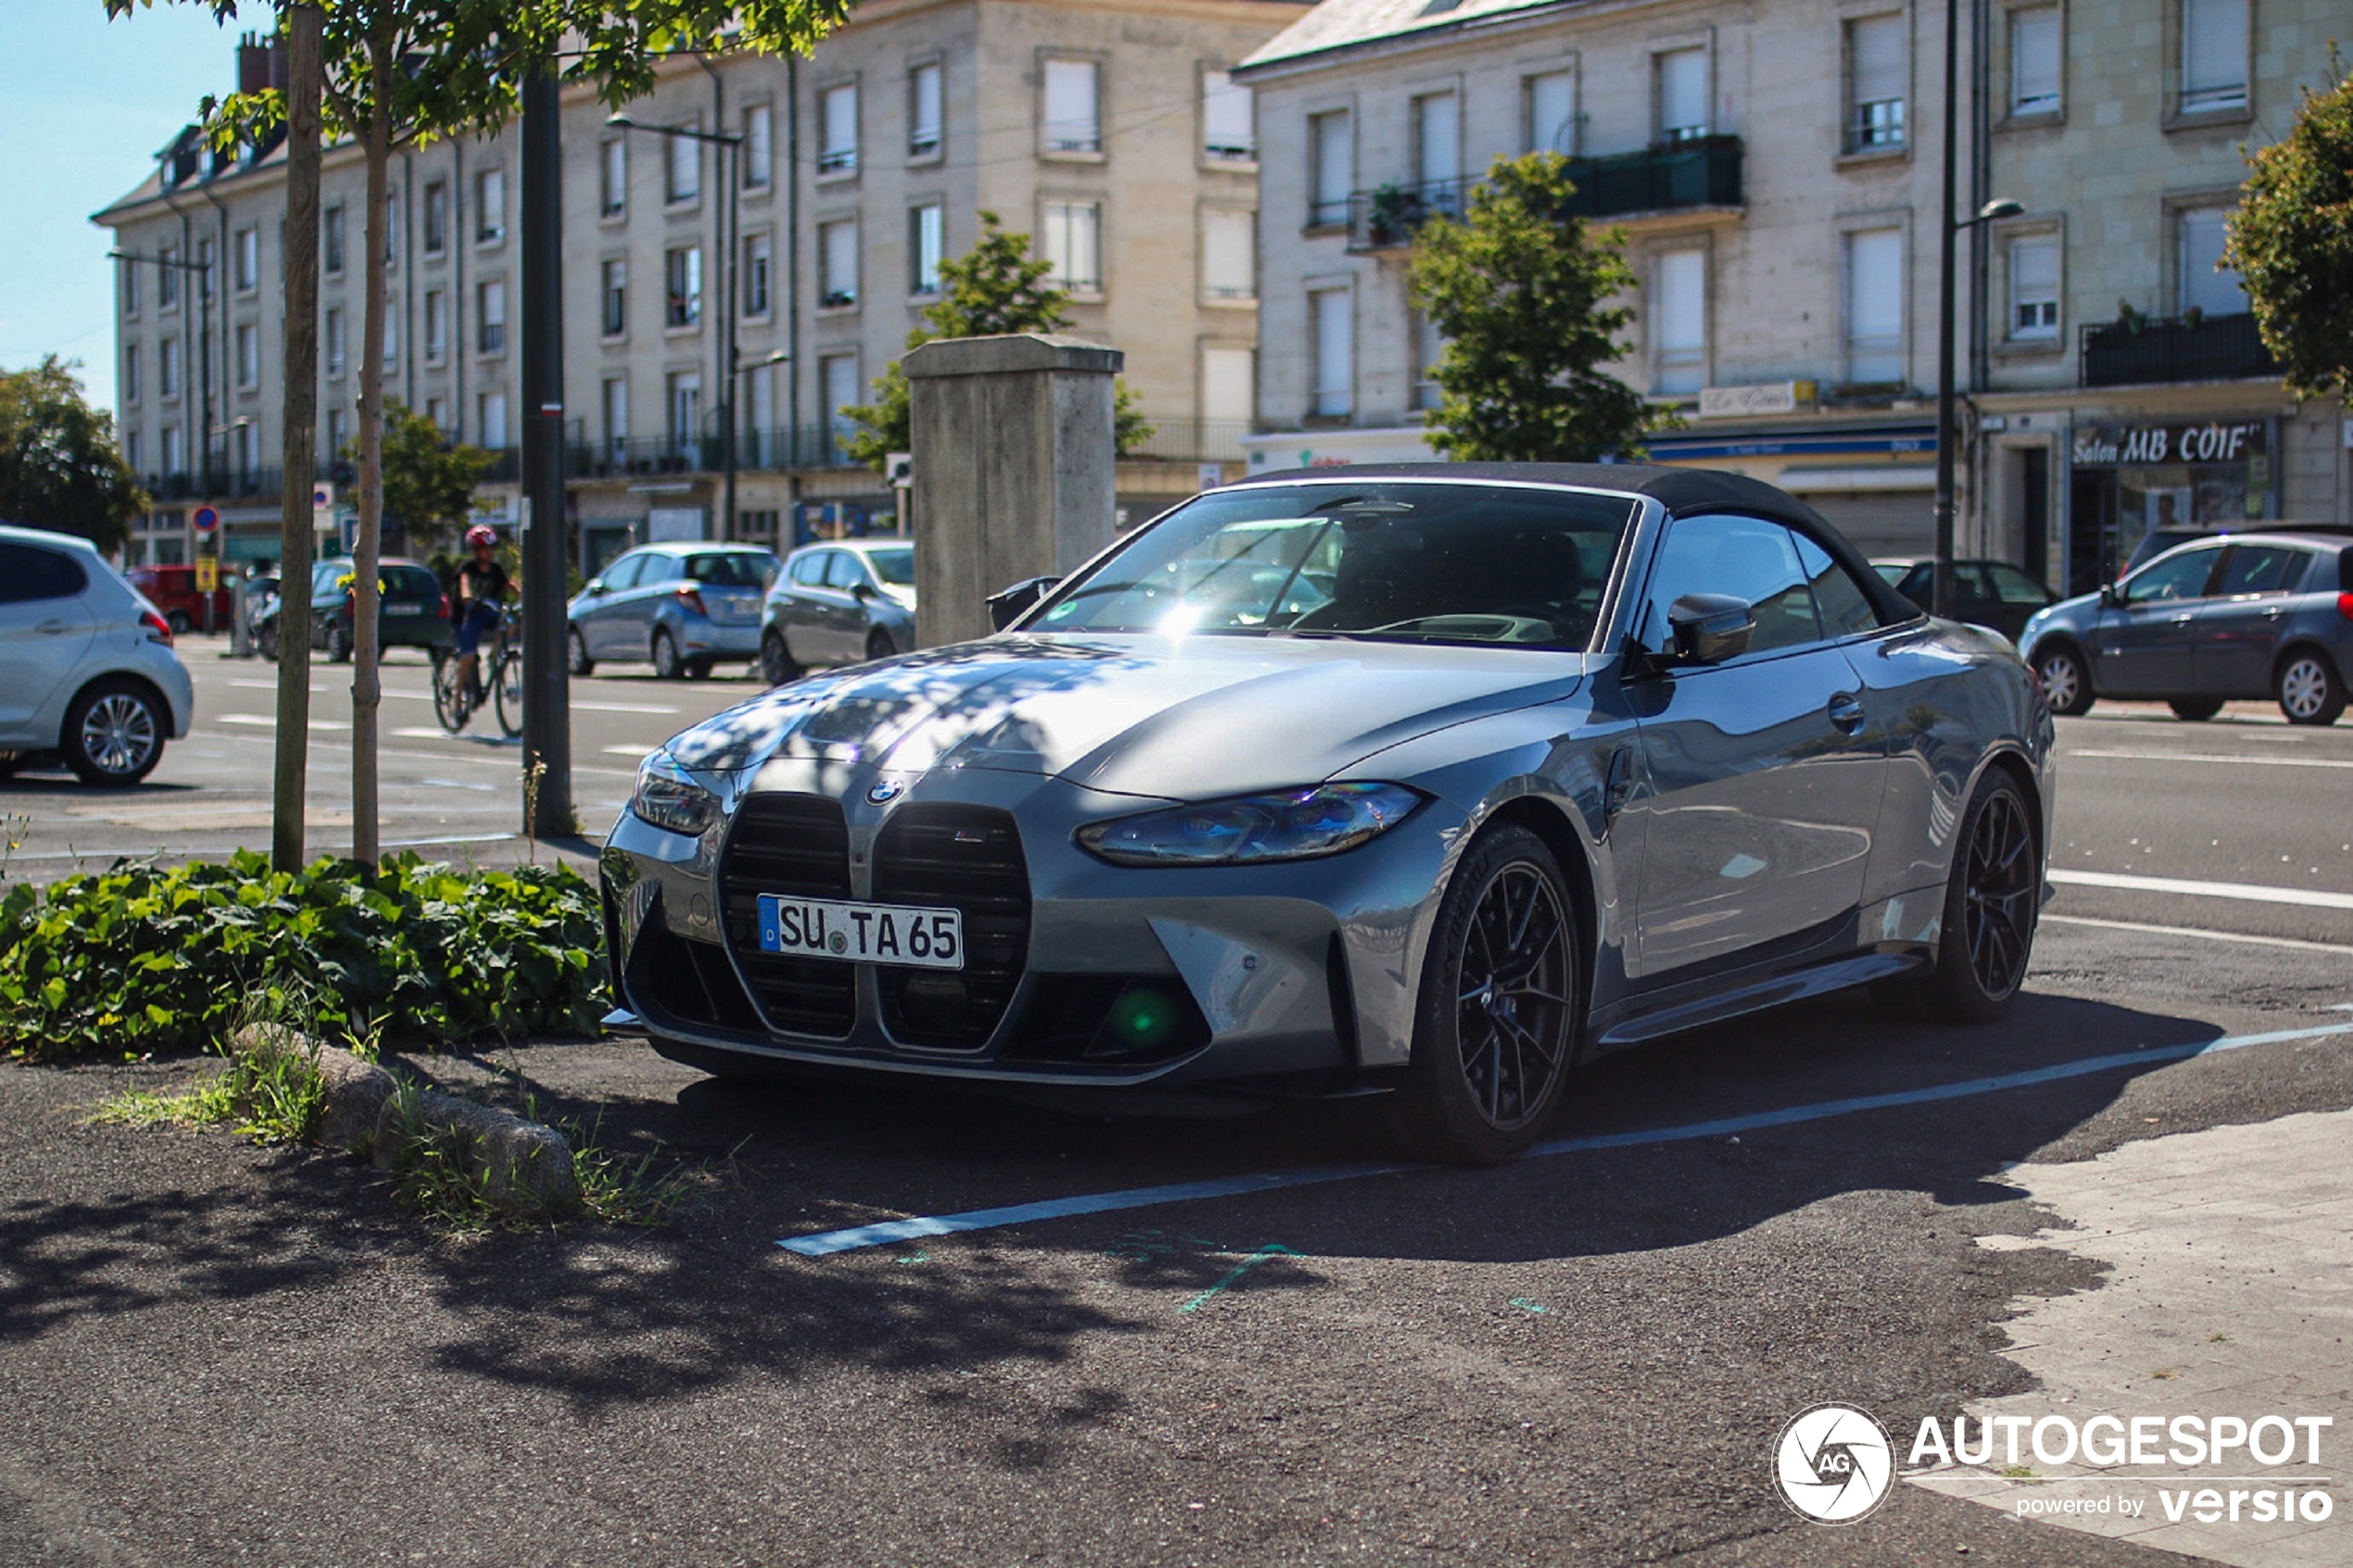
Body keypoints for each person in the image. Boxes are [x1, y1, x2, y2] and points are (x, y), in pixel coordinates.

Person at [451, 523, 510, 703]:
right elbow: (464, 584)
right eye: (485, 548)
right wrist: (467, 596)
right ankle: (457, 696)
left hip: (486, 614)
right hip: (465, 617)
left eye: (491, 548)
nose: (489, 552)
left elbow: (510, 585)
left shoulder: (495, 570)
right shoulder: (467, 569)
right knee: (468, 656)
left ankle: (494, 653)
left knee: (508, 622)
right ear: (476, 550)